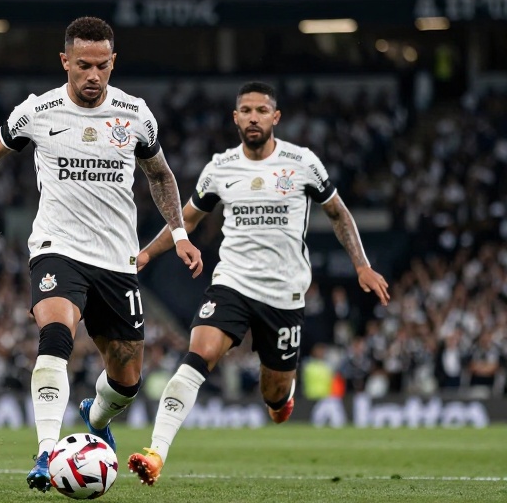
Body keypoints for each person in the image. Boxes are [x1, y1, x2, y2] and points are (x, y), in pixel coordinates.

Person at [0, 16, 202, 492]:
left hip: (116, 260)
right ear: (65, 61)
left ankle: (94, 415)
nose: (92, 75)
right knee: (56, 334)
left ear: (113, 62)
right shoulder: (38, 111)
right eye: (83, 65)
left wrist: (179, 233)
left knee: (127, 379)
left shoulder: (135, 114)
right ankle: (45, 453)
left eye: (101, 65)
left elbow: (160, 175)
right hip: (56, 249)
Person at [127, 82, 390, 485]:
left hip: (284, 295)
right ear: (235, 118)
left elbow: (338, 213)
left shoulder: (302, 163)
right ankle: (156, 453)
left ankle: (282, 397)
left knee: (274, 397)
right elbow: (187, 219)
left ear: (275, 117)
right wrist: (146, 254)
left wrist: (362, 266)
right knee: (198, 354)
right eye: (246, 110)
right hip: (232, 283)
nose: (254, 117)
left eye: (262, 110)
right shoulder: (220, 168)